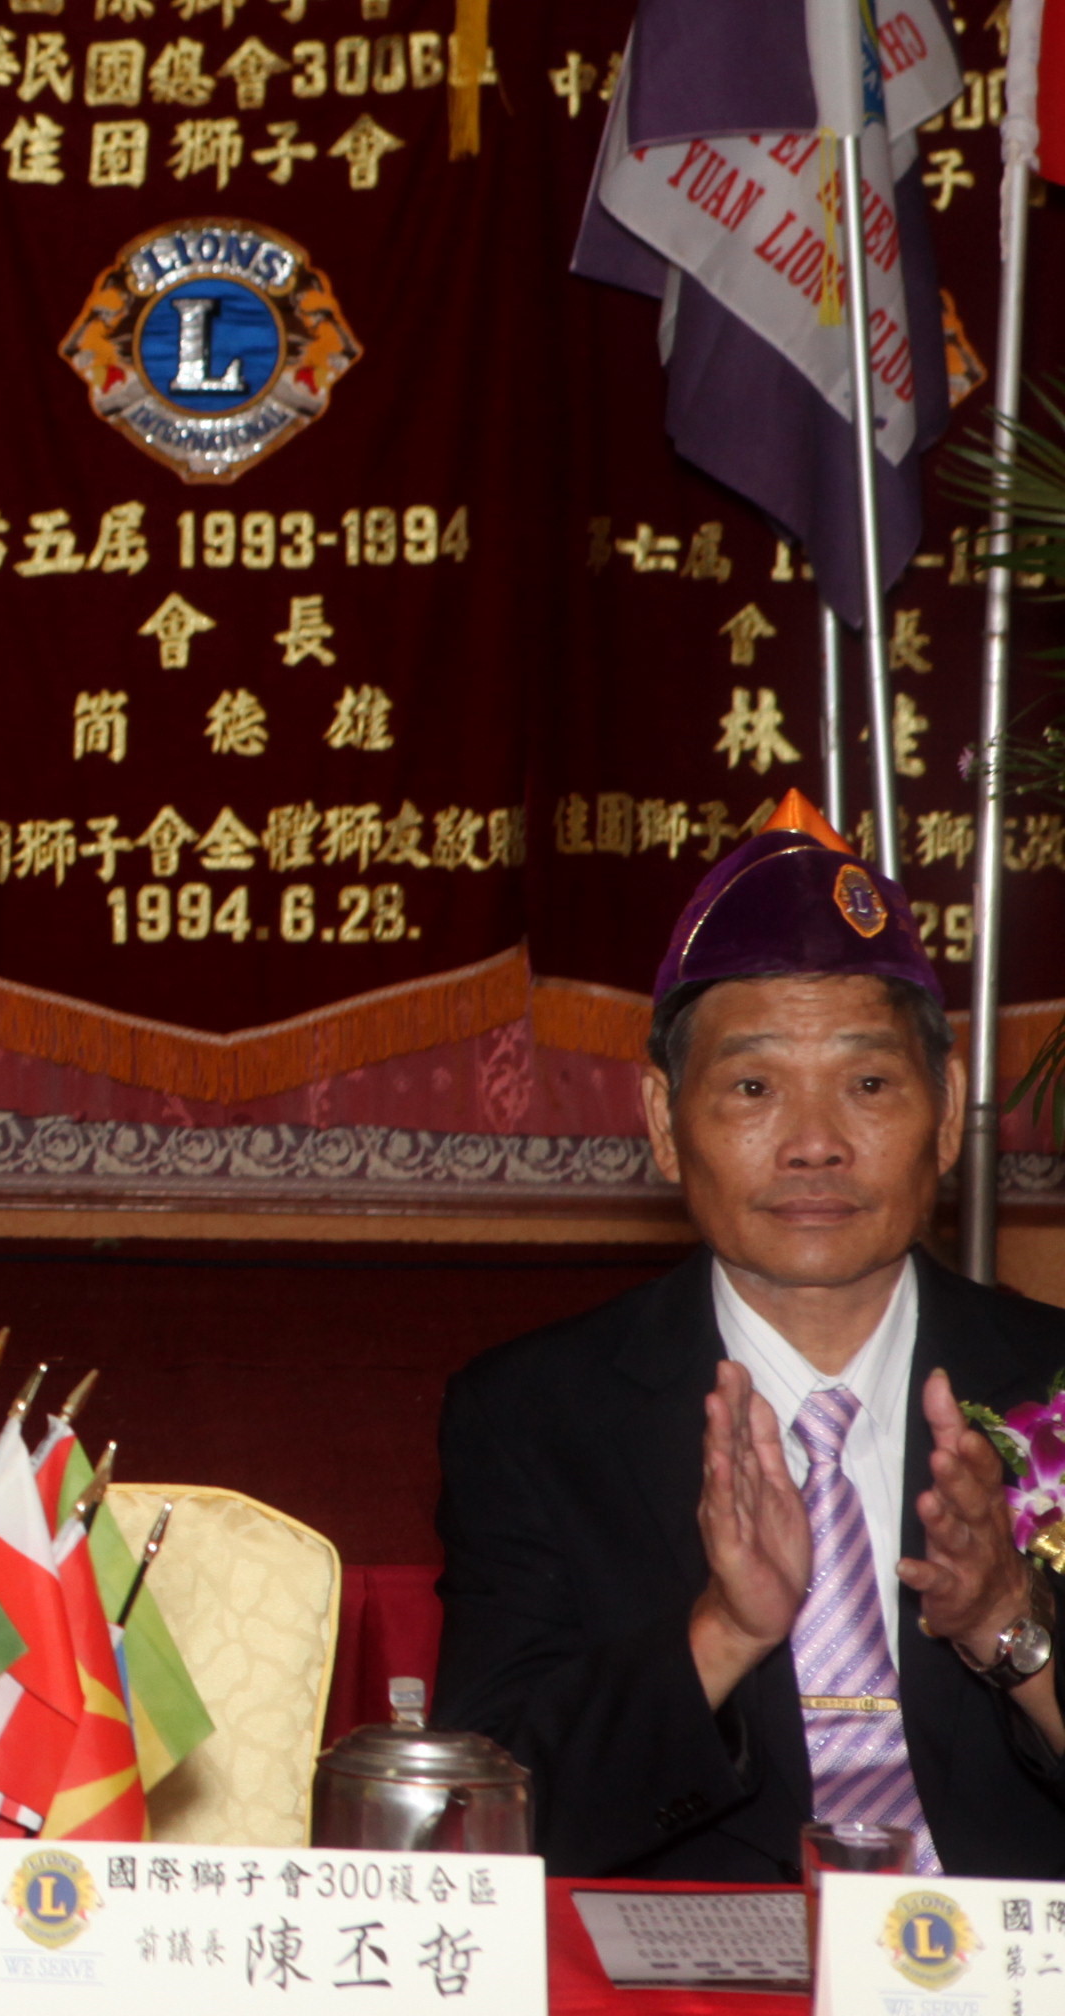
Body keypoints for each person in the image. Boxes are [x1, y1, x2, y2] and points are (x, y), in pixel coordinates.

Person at [435, 796, 1065, 1876]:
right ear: (663, 1120)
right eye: (754, 1086)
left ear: (947, 1106)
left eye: (869, 1084)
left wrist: (1014, 1628)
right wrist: (724, 1630)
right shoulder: (534, 1415)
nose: (816, 1143)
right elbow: (485, 1818)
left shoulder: (1051, 1380)